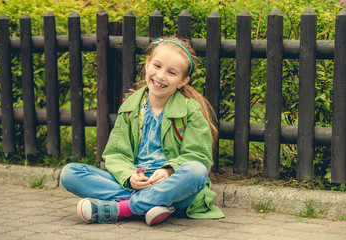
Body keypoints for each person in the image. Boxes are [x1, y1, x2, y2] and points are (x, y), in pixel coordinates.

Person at [60, 37, 225, 226]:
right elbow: (115, 154)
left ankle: (124, 208)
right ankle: (154, 204)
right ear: (147, 65)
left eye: (172, 72)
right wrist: (130, 176)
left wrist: (169, 170)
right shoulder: (130, 107)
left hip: (173, 185)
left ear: (183, 81)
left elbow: (198, 156)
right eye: (157, 66)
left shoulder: (190, 110)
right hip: (139, 180)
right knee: (70, 173)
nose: (161, 76)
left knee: (196, 171)